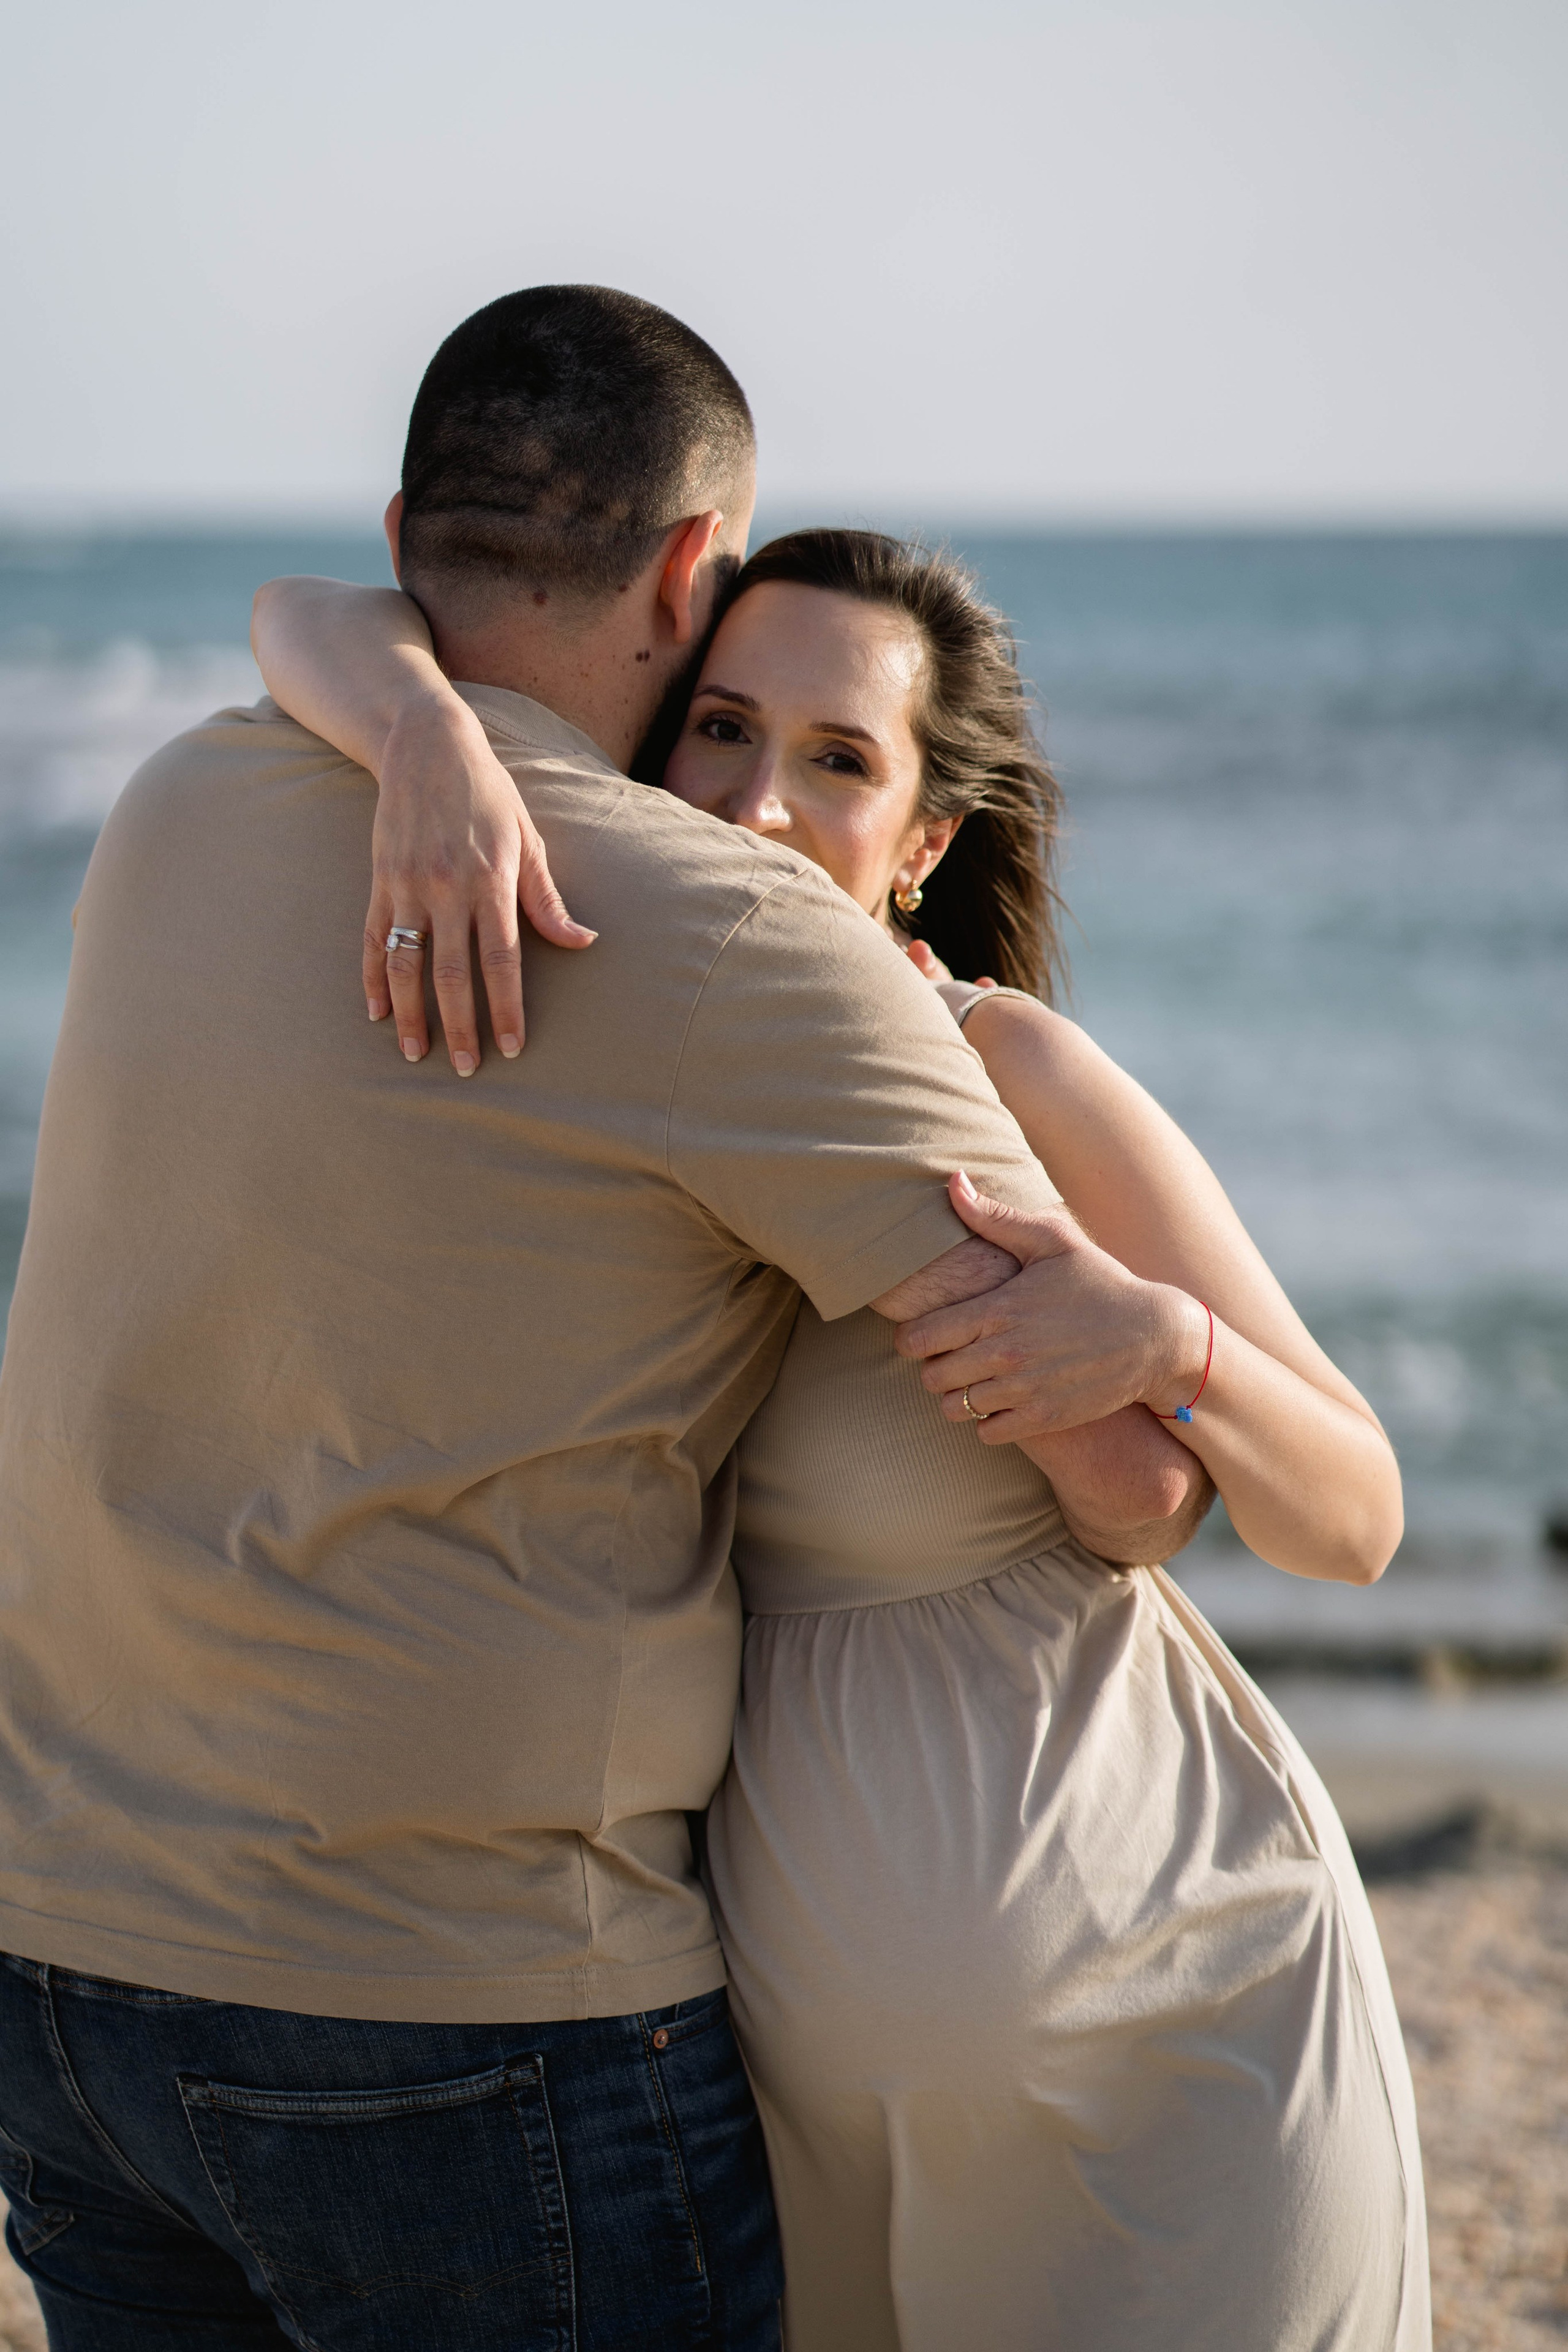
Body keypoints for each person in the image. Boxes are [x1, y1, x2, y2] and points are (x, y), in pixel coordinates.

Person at [0, 288, 1210, 2352]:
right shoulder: (741, 939)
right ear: (691, 571)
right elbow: (1123, 1482)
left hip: (57, 1971)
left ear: (409, 536)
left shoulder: (176, 803)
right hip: (455, 2009)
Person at [251, 526, 1431, 2350]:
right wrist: (423, 741)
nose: (759, 805)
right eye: (718, 728)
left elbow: (1352, 1518)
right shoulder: (596, 1062)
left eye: (838, 759)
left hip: (1175, 2024)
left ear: (925, 848)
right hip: (805, 2107)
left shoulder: (1000, 1065)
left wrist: (1162, 1340)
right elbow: (307, 617)